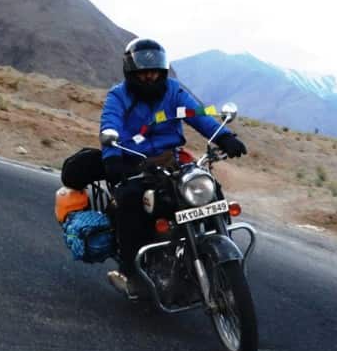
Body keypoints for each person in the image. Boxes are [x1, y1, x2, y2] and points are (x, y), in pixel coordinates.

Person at [99, 37, 246, 298]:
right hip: (135, 161)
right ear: (132, 73)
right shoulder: (118, 95)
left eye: (155, 73)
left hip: (172, 158)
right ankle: (130, 273)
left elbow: (197, 114)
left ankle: (222, 254)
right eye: (144, 74)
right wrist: (112, 157)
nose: (150, 79)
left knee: (207, 187)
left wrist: (224, 136)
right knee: (129, 201)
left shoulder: (174, 91)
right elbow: (110, 124)